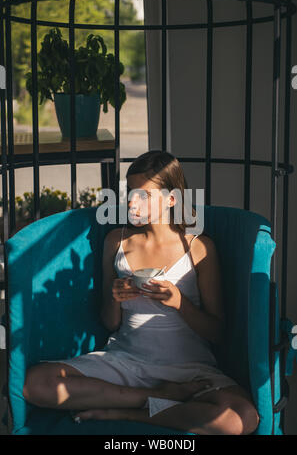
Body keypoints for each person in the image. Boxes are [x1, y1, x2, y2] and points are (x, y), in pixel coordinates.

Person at [23, 150, 259, 435]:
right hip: (127, 362)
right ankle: (152, 398)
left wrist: (179, 302)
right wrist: (114, 296)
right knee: (36, 384)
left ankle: (126, 412)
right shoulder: (117, 241)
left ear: (171, 199)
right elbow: (110, 323)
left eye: (144, 195)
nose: (133, 202)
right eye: (131, 192)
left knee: (242, 417)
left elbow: (217, 332)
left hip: (189, 368)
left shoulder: (198, 248)